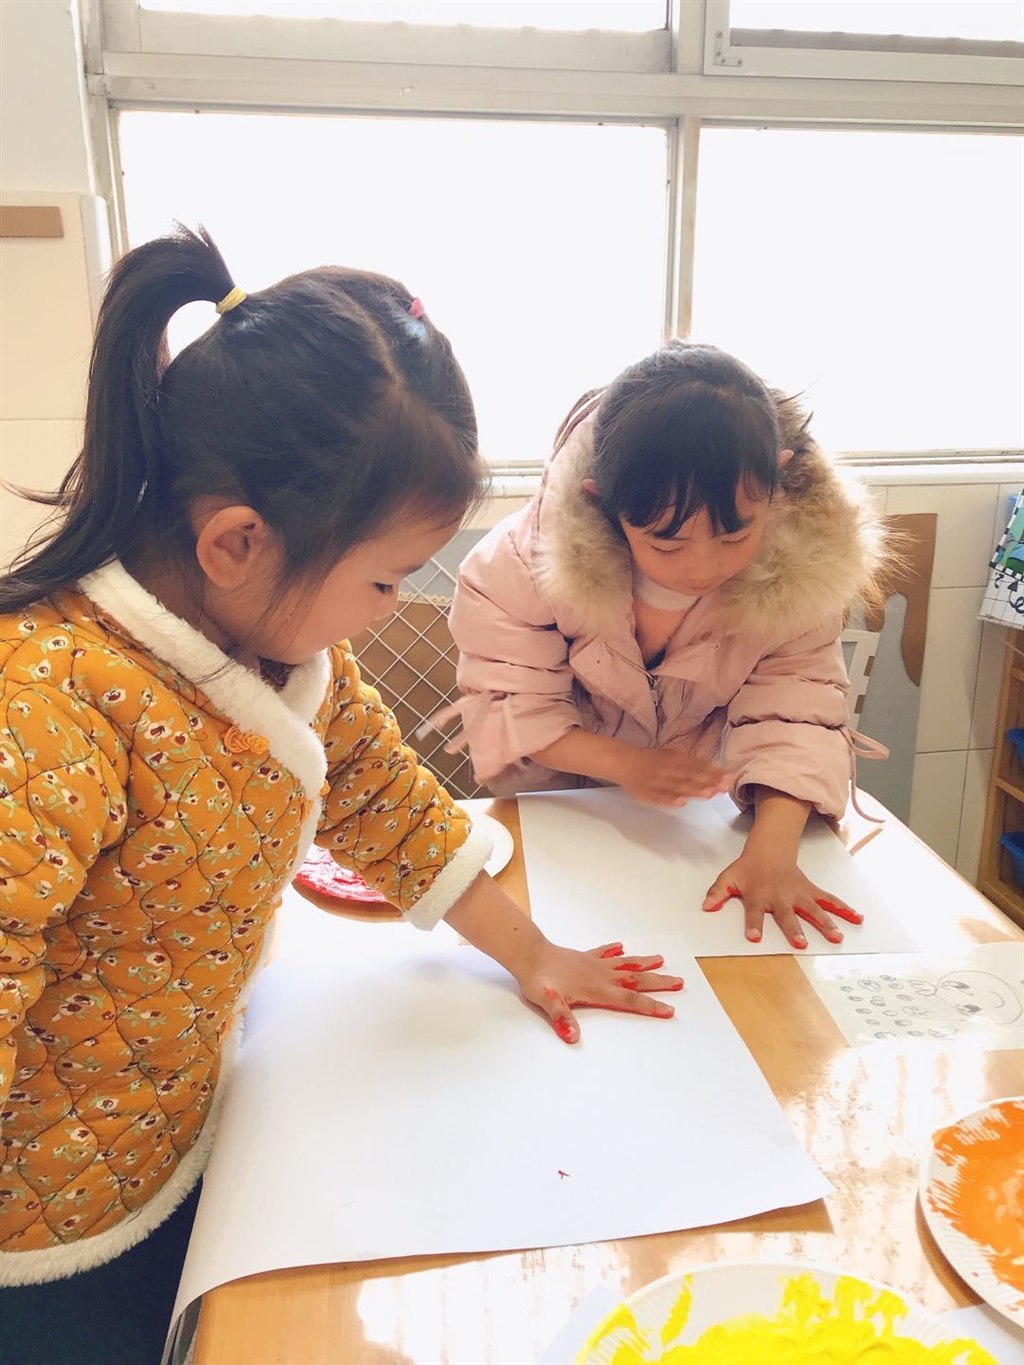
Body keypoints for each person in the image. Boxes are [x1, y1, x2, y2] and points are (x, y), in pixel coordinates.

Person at [0, 228, 681, 1357]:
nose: (390, 605)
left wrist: (534, 954)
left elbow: (388, 802)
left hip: (173, 1129)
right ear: (236, 543)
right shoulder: (48, 701)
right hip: (43, 1212)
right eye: (382, 578)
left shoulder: (286, 651)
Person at [448, 341, 888, 951]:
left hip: (706, 825)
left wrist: (771, 850)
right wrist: (626, 766)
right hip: (559, 816)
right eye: (667, 543)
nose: (703, 567)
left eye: (735, 534)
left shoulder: (799, 569)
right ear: (602, 502)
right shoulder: (518, 564)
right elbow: (508, 705)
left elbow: (797, 712)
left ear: (775, 481)